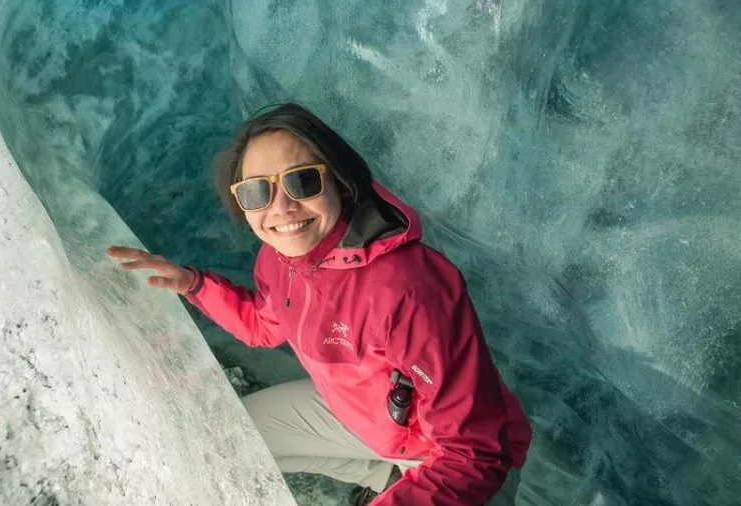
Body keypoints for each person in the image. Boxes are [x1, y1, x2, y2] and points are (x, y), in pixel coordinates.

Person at [106, 103, 531, 506]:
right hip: (369, 423)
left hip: (451, 461)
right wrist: (193, 283)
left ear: (340, 181)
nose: (282, 207)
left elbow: (473, 453)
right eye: (257, 192)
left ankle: (405, 482)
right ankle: (388, 480)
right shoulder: (278, 259)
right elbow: (263, 325)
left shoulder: (409, 287)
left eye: (302, 181)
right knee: (233, 438)